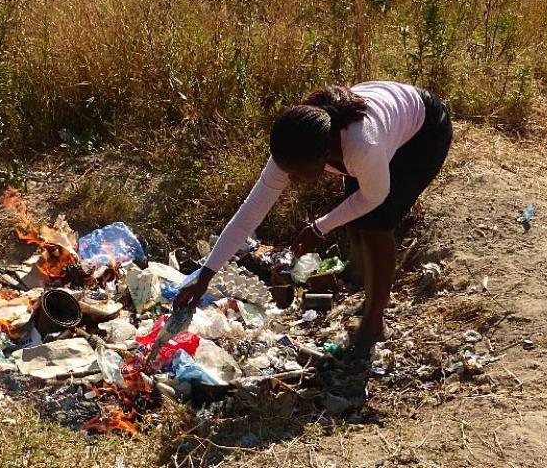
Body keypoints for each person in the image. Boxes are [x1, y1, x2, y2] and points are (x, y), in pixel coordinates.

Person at [173, 81, 453, 349]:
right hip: (386, 121)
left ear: (324, 158)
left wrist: (319, 228)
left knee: (375, 227)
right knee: (356, 222)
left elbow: (374, 197)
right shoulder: (294, 147)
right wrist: (205, 274)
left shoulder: (361, 146)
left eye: (296, 173)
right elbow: (250, 214)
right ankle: (367, 288)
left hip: (423, 130)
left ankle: (373, 323)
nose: (290, 180)